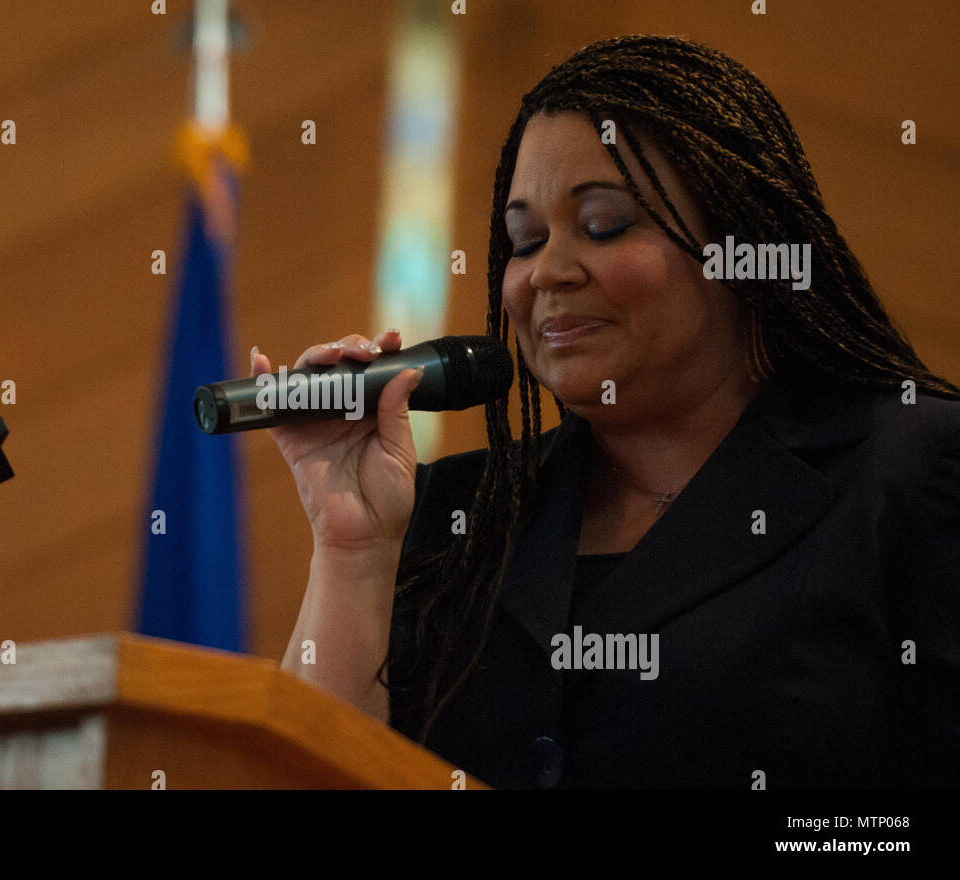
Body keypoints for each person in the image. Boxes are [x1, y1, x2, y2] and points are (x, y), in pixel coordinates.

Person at [262, 35, 960, 789]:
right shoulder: (451, 515)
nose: (548, 273)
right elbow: (303, 778)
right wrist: (352, 550)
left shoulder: (911, 474)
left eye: (603, 225)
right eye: (525, 240)